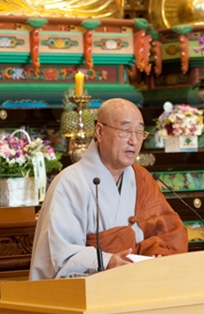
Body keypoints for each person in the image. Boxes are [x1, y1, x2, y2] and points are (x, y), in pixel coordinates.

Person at [29, 98, 188, 280]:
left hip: (142, 283)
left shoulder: (142, 178)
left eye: (139, 132)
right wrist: (106, 261)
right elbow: (59, 256)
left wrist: (160, 255)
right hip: (92, 289)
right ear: (100, 131)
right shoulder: (70, 183)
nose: (133, 141)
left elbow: (170, 234)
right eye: (125, 131)